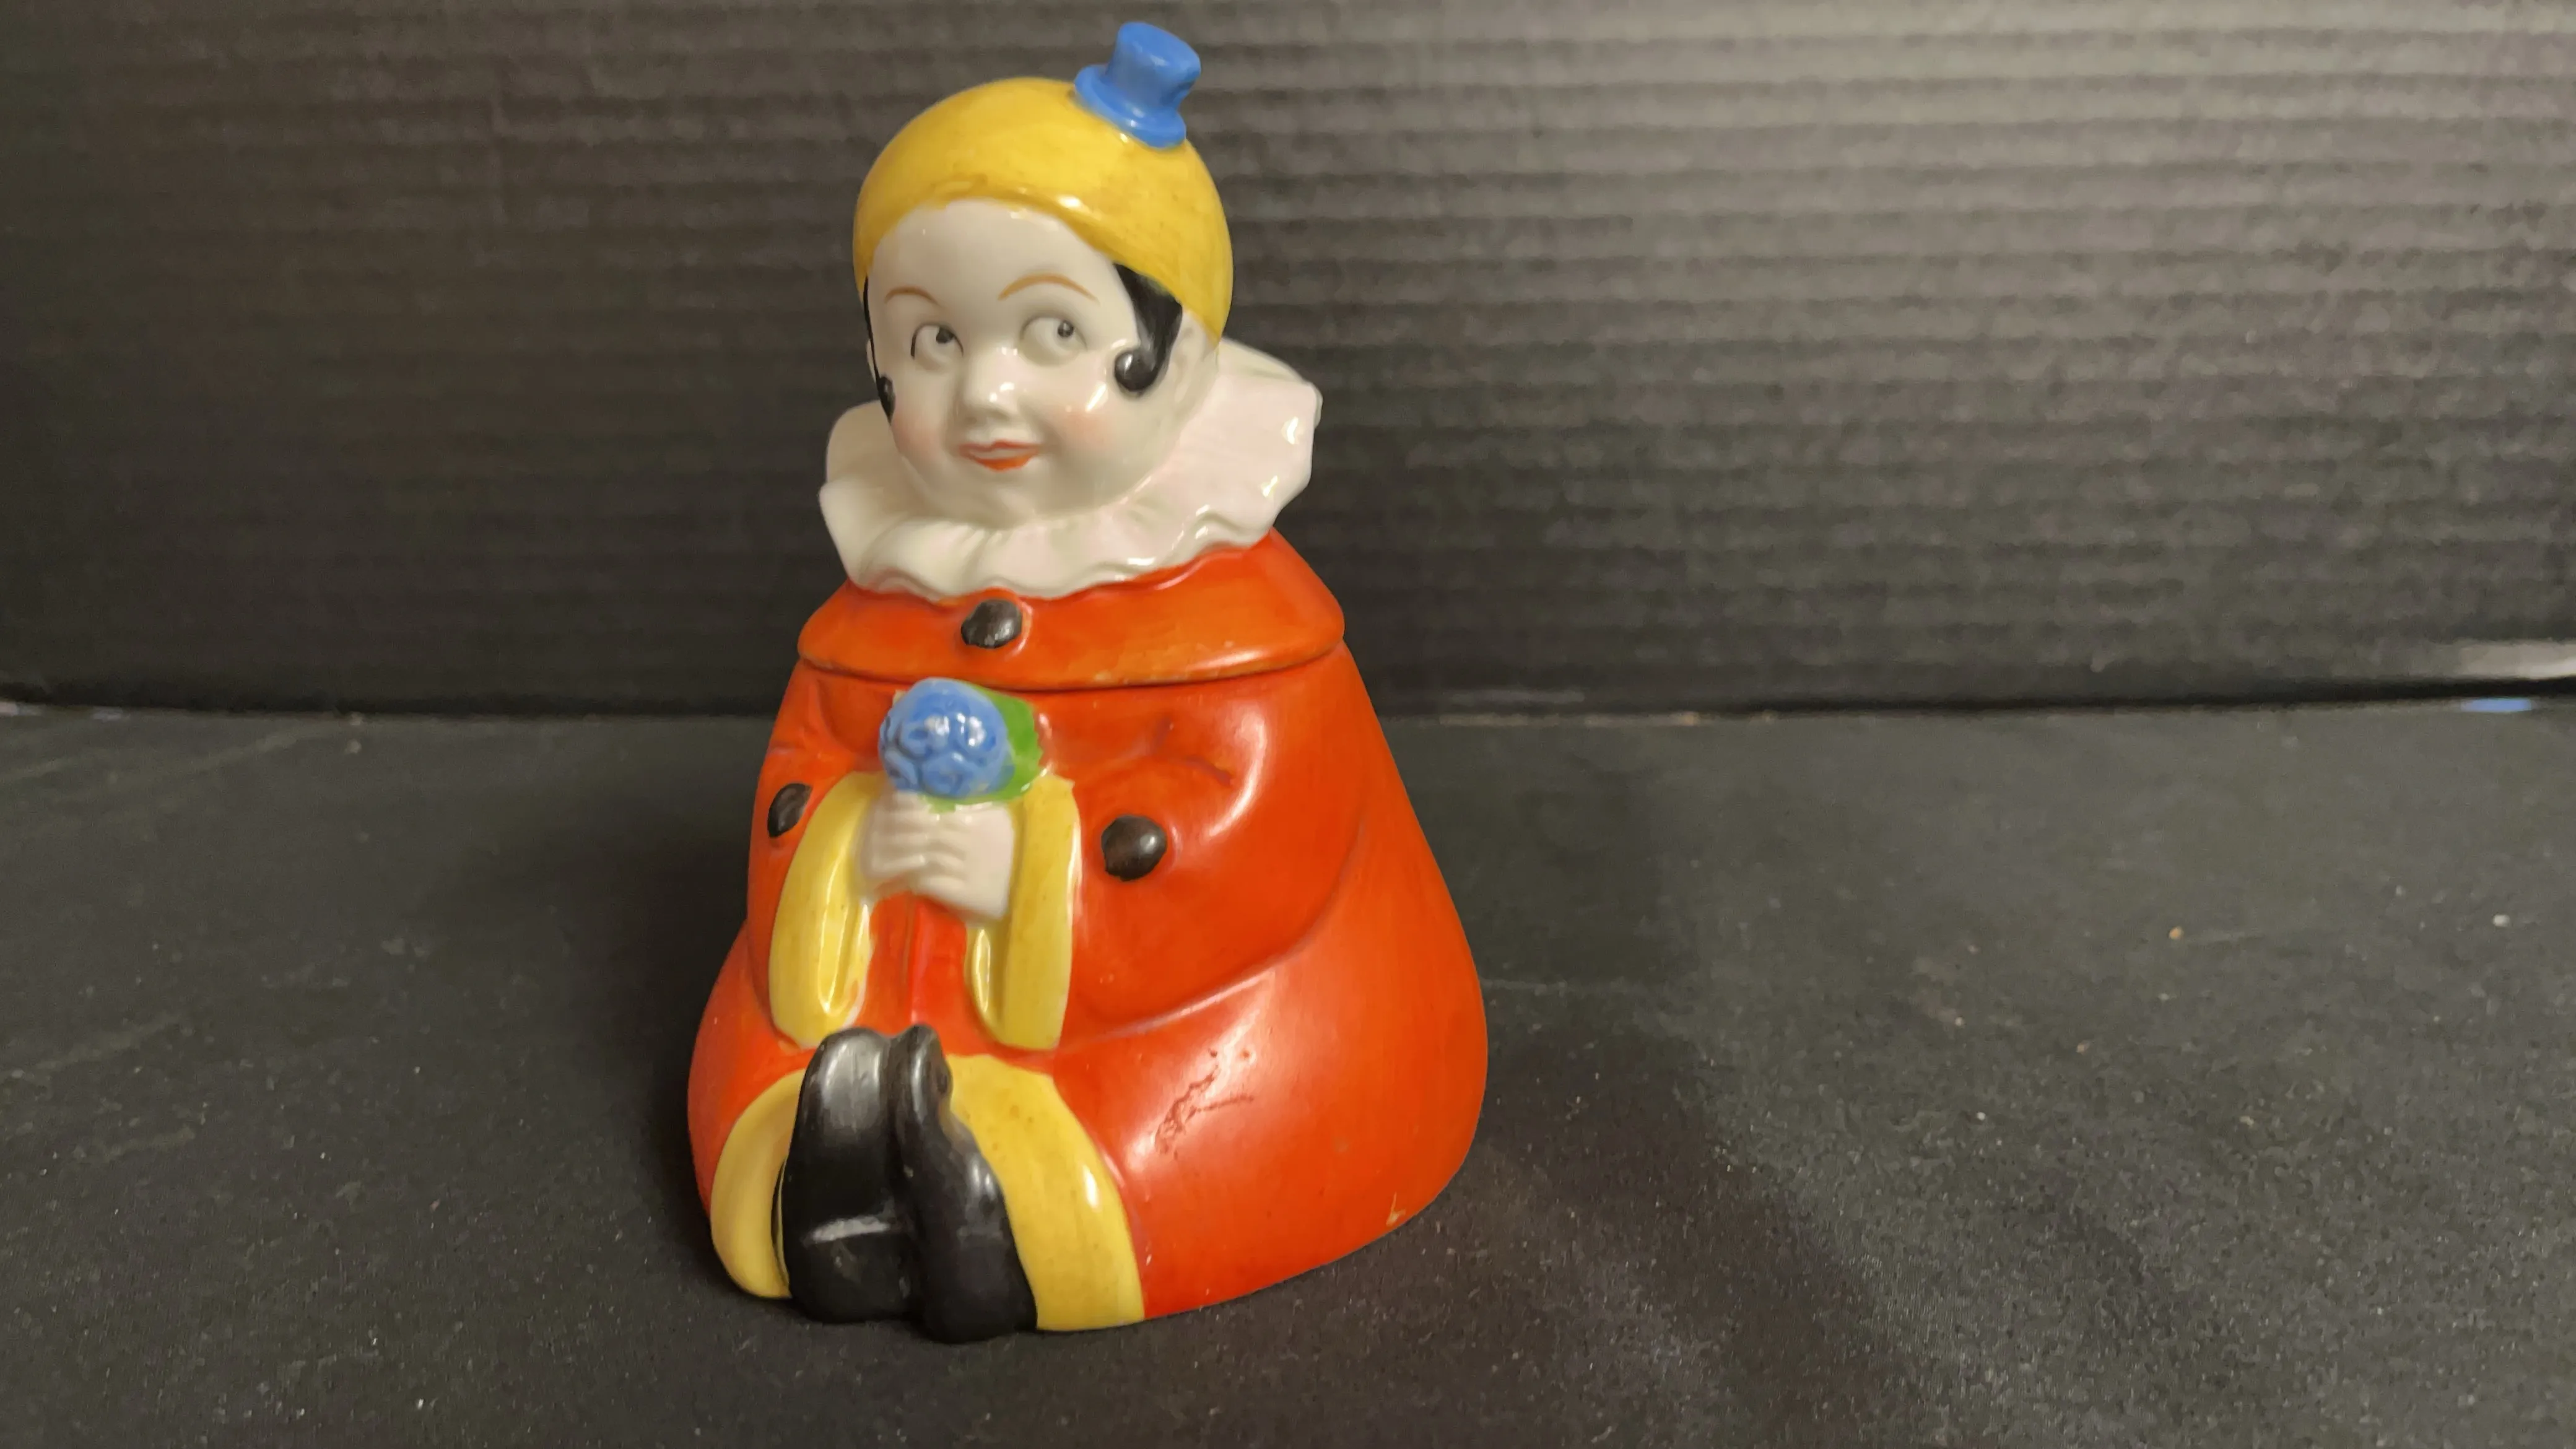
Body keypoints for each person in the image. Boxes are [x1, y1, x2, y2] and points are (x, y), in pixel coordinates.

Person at [685, 22, 1486, 1341]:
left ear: (1176, 352)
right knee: (779, 1091)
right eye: (930, 342)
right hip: (883, 980)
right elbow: (804, 770)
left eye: (1052, 331)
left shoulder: (1240, 625)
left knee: (1164, 1138)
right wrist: (849, 844)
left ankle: (1009, 1196)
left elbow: (1251, 832)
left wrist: (1031, 873)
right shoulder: (877, 610)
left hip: (1180, 1022)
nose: (985, 394)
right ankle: (841, 1148)